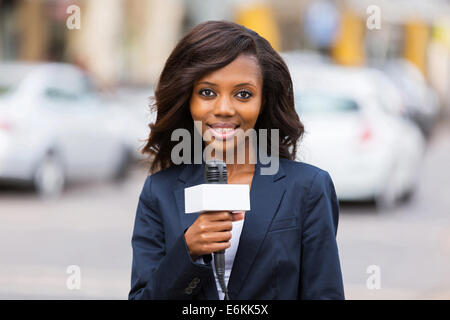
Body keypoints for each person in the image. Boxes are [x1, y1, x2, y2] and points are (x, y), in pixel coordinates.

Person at [129, 20, 344, 300]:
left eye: (243, 94)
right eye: (207, 92)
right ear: (188, 99)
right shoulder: (158, 192)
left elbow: (324, 294)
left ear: (263, 101)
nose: (224, 109)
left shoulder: (308, 187)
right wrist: (188, 252)